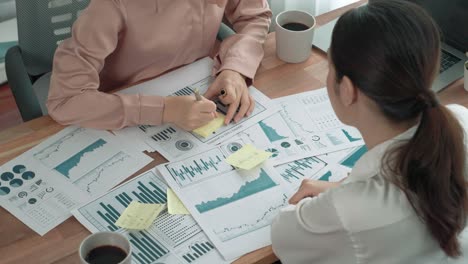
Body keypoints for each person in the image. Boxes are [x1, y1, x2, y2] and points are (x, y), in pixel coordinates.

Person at [271, 1, 468, 263]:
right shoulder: (460, 119)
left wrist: (334, 200)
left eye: (330, 68)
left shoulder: (351, 212)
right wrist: (341, 188)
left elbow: (283, 237)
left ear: (348, 90)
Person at [46, 0, 271, 130]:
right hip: (125, 106)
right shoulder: (110, 6)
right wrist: (164, 110)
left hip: (196, 87)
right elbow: (65, 100)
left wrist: (235, 68)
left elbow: (255, 16)